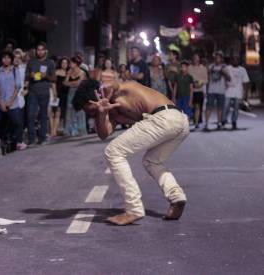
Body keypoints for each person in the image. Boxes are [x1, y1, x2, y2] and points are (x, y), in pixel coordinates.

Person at [72, 80, 190, 225]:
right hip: (179, 122)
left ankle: (134, 209)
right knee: (152, 161)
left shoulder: (116, 89)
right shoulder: (110, 110)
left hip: (164, 117)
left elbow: (112, 85)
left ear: (97, 96)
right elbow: (103, 134)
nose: (92, 115)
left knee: (113, 151)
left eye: (91, 110)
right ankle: (176, 196)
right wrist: (101, 113)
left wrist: (104, 92)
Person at [0, 52, 26, 150]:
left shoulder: (15, 71)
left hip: (12, 102)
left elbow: (17, 87)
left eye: (8, 58)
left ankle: (19, 142)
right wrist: (1, 103)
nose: (6, 60)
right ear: (1, 59)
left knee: (17, 122)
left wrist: (10, 101)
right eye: (4, 58)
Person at [25, 42, 56, 146]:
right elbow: (26, 77)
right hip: (32, 92)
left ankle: (42, 138)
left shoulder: (50, 63)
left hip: (44, 92)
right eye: (38, 50)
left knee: (43, 116)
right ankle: (31, 139)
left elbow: (54, 78)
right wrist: (31, 75)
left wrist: (46, 76)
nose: (40, 52)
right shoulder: (31, 62)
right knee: (30, 115)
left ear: (45, 51)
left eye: (42, 50)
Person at [204, 51, 229, 131]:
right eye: (216, 57)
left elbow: (229, 78)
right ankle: (206, 123)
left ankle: (219, 123)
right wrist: (207, 90)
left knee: (220, 108)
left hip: (221, 91)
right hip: (211, 90)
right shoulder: (211, 66)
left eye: (219, 57)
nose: (217, 59)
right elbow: (207, 79)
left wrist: (224, 73)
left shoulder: (225, 67)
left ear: (221, 59)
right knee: (209, 107)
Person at [222, 56, 250, 130]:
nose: (235, 61)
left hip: (238, 92)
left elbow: (246, 82)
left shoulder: (242, 70)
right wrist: (225, 75)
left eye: (237, 60)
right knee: (226, 106)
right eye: (234, 60)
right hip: (228, 91)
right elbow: (222, 71)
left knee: (236, 108)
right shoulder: (228, 68)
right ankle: (224, 120)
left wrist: (245, 94)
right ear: (231, 61)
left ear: (239, 61)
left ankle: (234, 121)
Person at [63, 56, 87, 136]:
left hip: (79, 93)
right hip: (71, 93)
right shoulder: (69, 71)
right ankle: (70, 129)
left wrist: (71, 83)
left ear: (76, 63)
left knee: (79, 111)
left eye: (71, 63)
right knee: (70, 111)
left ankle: (80, 129)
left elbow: (79, 83)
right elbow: (65, 82)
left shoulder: (82, 72)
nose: (70, 64)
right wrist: (73, 83)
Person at [188, 53, 208, 129]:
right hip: (190, 90)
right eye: (194, 58)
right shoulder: (189, 68)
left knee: (198, 106)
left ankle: (197, 122)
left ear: (199, 59)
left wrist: (200, 84)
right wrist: (192, 84)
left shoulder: (203, 68)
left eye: (197, 58)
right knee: (191, 106)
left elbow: (205, 79)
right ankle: (193, 119)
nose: (196, 59)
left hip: (199, 90)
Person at [52, 57, 70, 136]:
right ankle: (54, 131)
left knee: (67, 113)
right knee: (57, 113)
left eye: (66, 63)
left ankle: (66, 130)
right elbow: (53, 83)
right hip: (59, 94)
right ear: (60, 63)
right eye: (63, 63)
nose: (64, 64)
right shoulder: (56, 72)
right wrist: (55, 93)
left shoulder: (69, 72)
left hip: (67, 94)